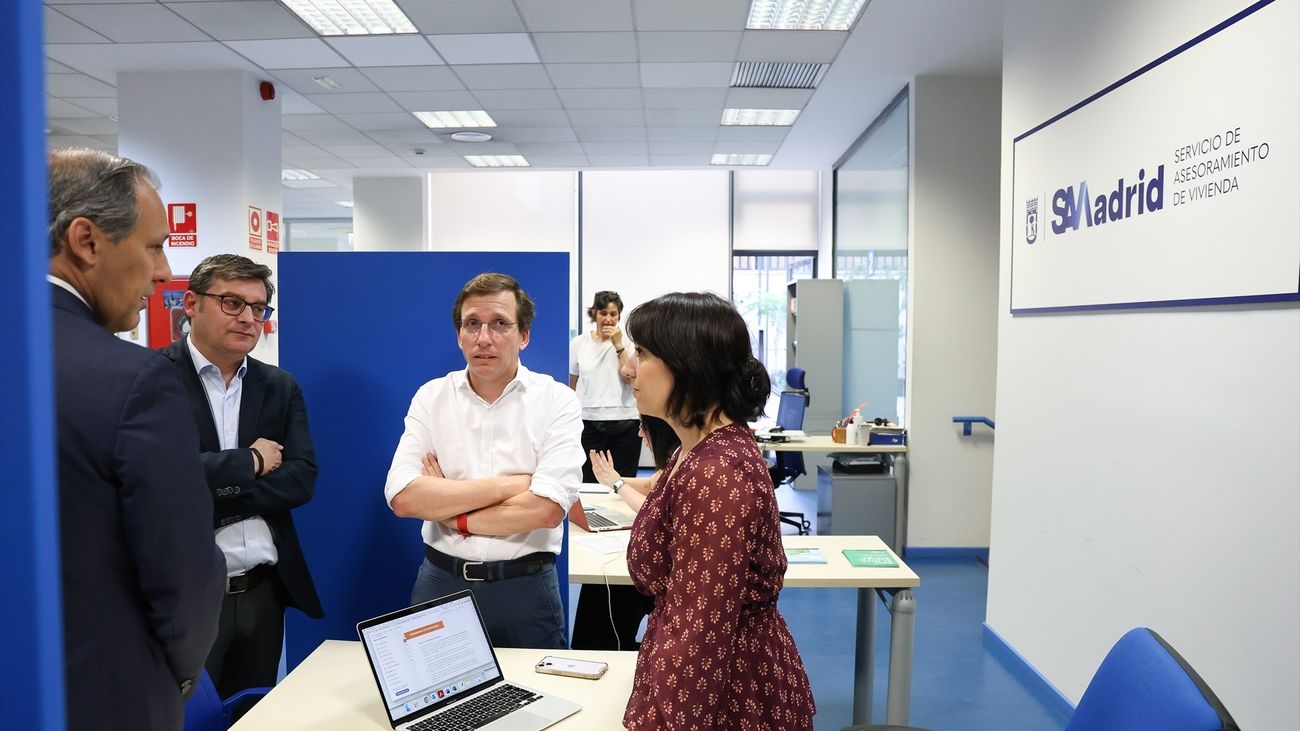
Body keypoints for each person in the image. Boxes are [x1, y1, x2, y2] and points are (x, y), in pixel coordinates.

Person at [47, 148, 225, 730]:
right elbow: (182, 568)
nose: (163, 271)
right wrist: (177, 675)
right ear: (87, 241)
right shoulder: (134, 380)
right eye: (153, 246)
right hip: (107, 695)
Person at [620, 292, 816, 730]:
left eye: (643, 353)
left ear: (689, 365)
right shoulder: (690, 452)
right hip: (712, 686)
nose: (628, 368)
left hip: (725, 700)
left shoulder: (717, 474)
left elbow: (700, 637)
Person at [384, 272, 583, 649]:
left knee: (538, 701)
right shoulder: (432, 397)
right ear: (459, 335)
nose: (484, 338)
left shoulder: (557, 401)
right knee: (438, 705)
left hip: (525, 590)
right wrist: (514, 485)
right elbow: (404, 498)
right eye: (472, 324)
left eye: (500, 324)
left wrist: (448, 507)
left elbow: (547, 511)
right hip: (441, 582)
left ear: (524, 335)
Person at [161, 254, 324, 698]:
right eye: (233, 303)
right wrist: (250, 463)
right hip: (187, 598)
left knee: (253, 715)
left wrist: (213, 490)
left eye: (259, 308)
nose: (249, 318)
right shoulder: (153, 379)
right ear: (191, 303)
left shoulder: (278, 386)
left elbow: (301, 479)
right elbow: (162, 482)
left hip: (263, 592)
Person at [570, 416, 679, 650]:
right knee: (599, 586)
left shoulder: (686, 458)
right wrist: (609, 480)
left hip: (668, 571)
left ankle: (599, 650)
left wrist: (618, 485)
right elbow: (652, 485)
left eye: (643, 427)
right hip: (659, 562)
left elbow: (655, 512)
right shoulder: (676, 454)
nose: (639, 434)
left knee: (604, 591)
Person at [569, 290, 641, 484]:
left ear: (618, 315)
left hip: (626, 419)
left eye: (613, 314)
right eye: (603, 313)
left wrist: (618, 345)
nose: (608, 319)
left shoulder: (628, 341)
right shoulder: (579, 343)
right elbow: (574, 381)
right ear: (594, 314)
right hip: (590, 420)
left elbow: (630, 377)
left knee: (623, 481)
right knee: (589, 481)